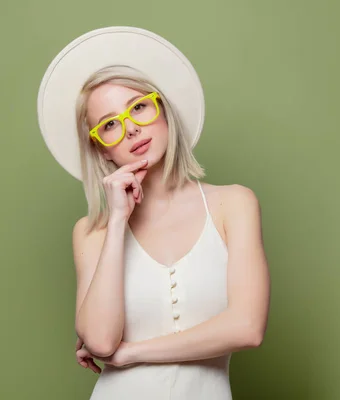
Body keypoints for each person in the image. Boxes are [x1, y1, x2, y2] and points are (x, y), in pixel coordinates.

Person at [37, 27, 270, 399]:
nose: (130, 130)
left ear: (161, 108)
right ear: (102, 151)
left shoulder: (234, 204)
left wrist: (132, 353)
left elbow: (247, 327)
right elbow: (99, 340)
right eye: (110, 124)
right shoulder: (91, 231)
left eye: (139, 107)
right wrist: (116, 221)